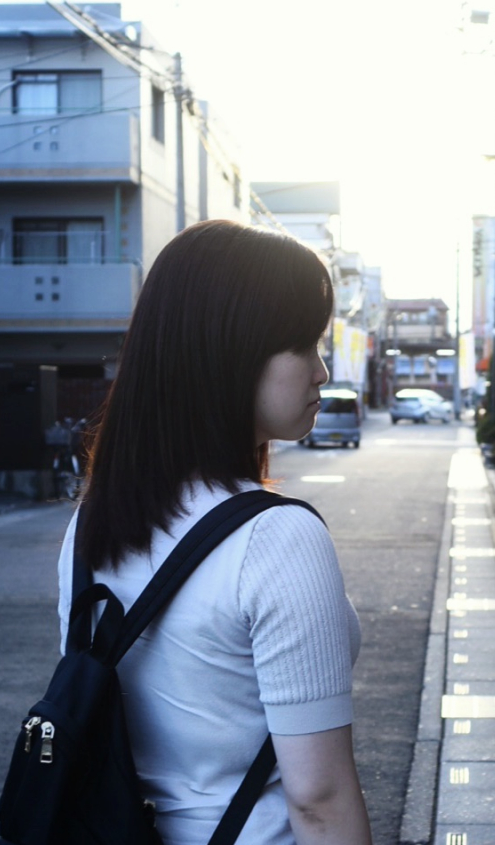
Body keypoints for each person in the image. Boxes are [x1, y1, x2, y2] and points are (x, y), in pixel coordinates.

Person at [57, 219, 373, 845]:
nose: (322, 369)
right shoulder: (277, 538)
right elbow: (319, 799)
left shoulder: (92, 523)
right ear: (231, 352)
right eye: (303, 345)